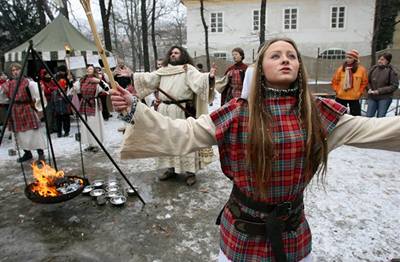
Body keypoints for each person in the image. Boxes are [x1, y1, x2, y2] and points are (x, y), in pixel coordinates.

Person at [110, 37, 400, 261]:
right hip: (242, 231)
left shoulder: (319, 115)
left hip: (292, 231)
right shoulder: (237, 113)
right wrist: (135, 109)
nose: (285, 59)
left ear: (299, 66)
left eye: (291, 56)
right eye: (276, 56)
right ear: (261, 68)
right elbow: (185, 132)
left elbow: (375, 130)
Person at [129, 45, 216, 186]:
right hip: (164, 110)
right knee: (167, 140)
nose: (173, 55)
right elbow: (148, 79)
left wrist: (209, 77)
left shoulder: (188, 69)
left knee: (184, 139)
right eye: (172, 53)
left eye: (176, 53)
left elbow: (200, 81)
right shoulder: (163, 71)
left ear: (183, 55)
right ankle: (171, 168)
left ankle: (190, 172)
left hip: (180, 110)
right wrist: (132, 75)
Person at [0, 63, 46, 162]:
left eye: (17, 69)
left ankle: (41, 154)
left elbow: (38, 94)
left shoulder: (28, 83)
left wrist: (38, 107)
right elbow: (2, 96)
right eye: (13, 70)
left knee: (34, 132)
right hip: (15, 110)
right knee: (20, 134)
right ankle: (27, 153)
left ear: (21, 70)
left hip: (27, 108)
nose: (15, 72)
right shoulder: (9, 84)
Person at [72, 64, 109, 152]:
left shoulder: (97, 80)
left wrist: (99, 81)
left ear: (94, 71)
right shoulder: (82, 80)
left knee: (94, 124)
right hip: (85, 103)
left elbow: (106, 89)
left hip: (94, 104)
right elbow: (74, 89)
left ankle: (96, 143)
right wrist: (71, 82)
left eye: (91, 69)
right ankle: (90, 143)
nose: (89, 70)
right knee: (86, 124)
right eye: (88, 69)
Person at [331, 49, 368, 116]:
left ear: (355, 59)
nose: (347, 59)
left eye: (350, 58)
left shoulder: (361, 70)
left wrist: (359, 92)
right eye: (346, 57)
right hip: (341, 96)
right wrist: (337, 90)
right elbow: (335, 81)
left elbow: (364, 83)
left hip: (354, 97)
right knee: (339, 116)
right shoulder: (341, 69)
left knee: (356, 117)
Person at [366, 52, 399, 117]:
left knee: (380, 117)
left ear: (387, 61)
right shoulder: (373, 68)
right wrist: (369, 88)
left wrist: (379, 91)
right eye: (379, 59)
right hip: (372, 97)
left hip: (385, 98)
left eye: (382, 59)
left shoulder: (392, 71)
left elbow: (394, 86)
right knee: (368, 116)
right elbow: (367, 81)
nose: (379, 61)